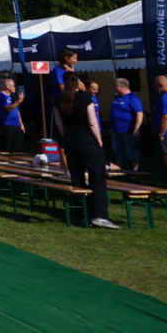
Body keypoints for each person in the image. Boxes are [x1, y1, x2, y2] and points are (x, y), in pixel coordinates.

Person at [54, 73, 117, 229]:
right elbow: (92, 123)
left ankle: (81, 214)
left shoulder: (59, 101)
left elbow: (60, 125)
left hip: (70, 140)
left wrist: (68, 137)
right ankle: (99, 215)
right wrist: (99, 140)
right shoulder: (84, 99)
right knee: (97, 177)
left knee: (77, 178)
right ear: (78, 83)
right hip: (86, 140)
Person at [108, 77, 143, 171]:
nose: (114, 88)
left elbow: (139, 113)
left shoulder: (132, 98)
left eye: (115, 86)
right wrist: (112, 127)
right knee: (117, 150)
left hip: (128, 130)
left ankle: (135, 170)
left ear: (122, 87)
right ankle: (118, 169)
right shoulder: (117, 98)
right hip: (116, 130)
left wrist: (136, 129)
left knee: (131, 150)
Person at [0, 78, 25, 154]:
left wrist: (21, 123)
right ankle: (4, 161)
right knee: (6, 146)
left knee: (17, 145)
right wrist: (19, 101)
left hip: (16, 124)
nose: (15, 88)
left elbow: (16, 110)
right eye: (13, 86)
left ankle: (16, 161)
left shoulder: (13, 96)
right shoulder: (1, 95)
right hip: (7, 124)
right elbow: (8, 108)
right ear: (8, 86)